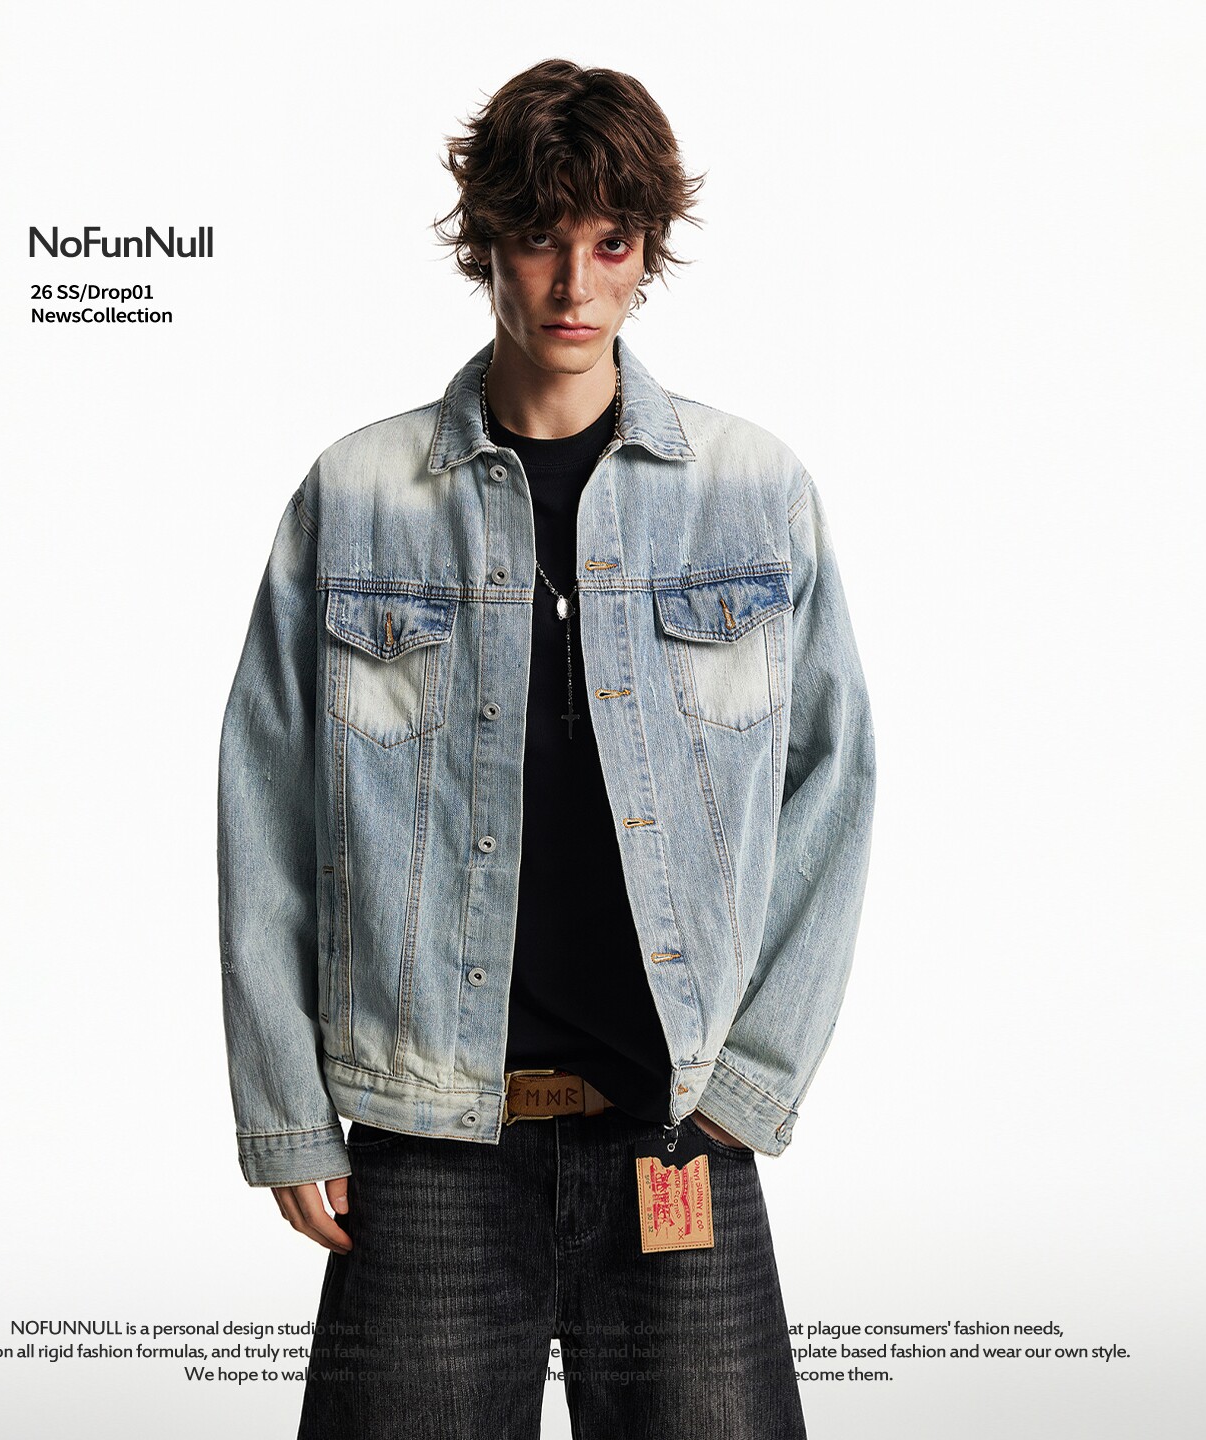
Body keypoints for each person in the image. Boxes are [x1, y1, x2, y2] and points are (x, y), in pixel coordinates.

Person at [217, 57, 876, 1440]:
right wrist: (285, 1105)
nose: (574, 285)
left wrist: (755, 1081)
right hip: (428, 1139)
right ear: (485, 244)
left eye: (611, 243)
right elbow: (267, 807)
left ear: (647, 252)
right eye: (538, 238)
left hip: (676, 1132)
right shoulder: (359, 496)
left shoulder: (753, 493)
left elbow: (834, 783)